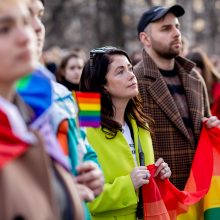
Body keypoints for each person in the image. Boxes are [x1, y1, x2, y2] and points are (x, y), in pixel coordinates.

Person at [0, 0, 84, 219]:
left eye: (25, 21)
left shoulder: (34, 112)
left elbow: (84, 147)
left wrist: (76, 181)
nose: (27, 34)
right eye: (4, 29)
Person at [20, 0, 104, 219]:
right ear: (63, 71)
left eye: (40, 15)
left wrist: (94, 172)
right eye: (72, 68)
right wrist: (57, 191)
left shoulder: (78, 97)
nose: (38, 26)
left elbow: (87, 147)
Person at [134, 4, 220, 190]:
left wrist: (211, 128)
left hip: (200, 191)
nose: (176, 33)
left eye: (177, 27)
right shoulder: (135, 80)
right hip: (162, 194)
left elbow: (202, 128)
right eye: (166, 28)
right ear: (145, 38)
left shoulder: (194, 77)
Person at [80, 46, 171, 220]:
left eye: (130, 68)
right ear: (102, 85)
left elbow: (143, 185)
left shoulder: (141, 124)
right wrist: (127, 185)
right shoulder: (85, 127)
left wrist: (158, 176)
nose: (131, 75)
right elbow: (81, 198)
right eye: (120, 72)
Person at [186, 47, 220, 114]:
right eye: (191, 68)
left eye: (197, 68)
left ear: (204, 69)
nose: (193, 71)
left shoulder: (217, 89)